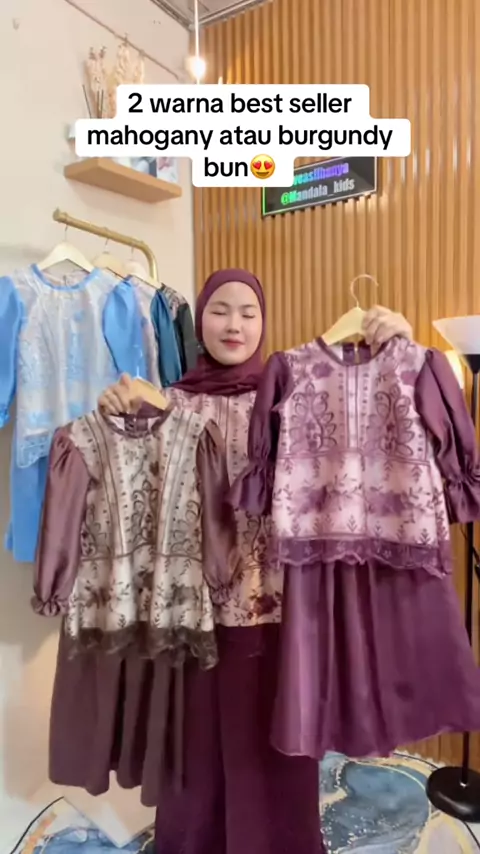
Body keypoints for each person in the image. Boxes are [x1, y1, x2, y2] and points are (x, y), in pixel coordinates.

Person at [98, 268, 413, 854]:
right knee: (194, 746)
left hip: (276, 604)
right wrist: (117, 412)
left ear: (264, 322)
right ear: (199, 321)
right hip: (192, 612)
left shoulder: (292, 392)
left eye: (248, 312)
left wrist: (399, 343)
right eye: (219, 310)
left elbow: (371, 423)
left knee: (276, 743)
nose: (234, 324)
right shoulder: (169, 401)